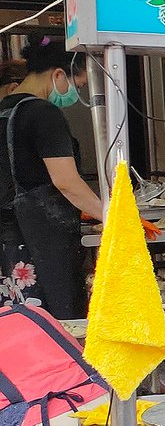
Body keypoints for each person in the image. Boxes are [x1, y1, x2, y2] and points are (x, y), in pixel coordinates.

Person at [0, 36, 103, 318]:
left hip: (9, 241)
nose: (75, 93)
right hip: (40, 242)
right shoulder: (43, 113)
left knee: (23, 324)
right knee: (57, 323)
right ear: (58, 74)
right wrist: (114, 217)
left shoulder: (4, 109)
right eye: (78, 85)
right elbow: (66, 181)